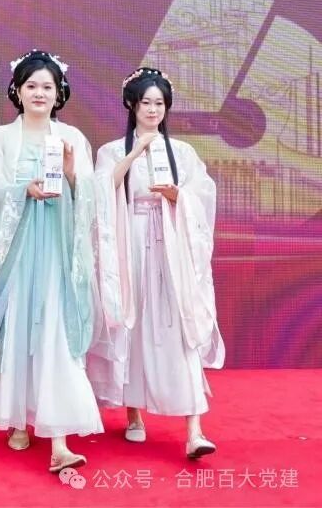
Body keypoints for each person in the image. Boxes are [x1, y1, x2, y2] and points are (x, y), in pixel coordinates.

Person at [0, 50, 103, 473]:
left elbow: (90, 196)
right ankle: (18, 418)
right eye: (31, 85)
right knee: (17, 329)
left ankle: (59, 441)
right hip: (15, 253)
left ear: (59, 93)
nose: (39, 93)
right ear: (17, 91)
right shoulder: (1, 137)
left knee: (54, 331)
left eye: (47, 87)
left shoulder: (72, 137)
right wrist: (24, 190)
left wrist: (71, 174)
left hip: (56, 252)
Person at [88, 67, 225, 459]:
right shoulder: (112, 150)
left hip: (170, 243)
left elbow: (203, 193)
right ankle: (133, 414)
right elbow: (102, 190)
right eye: (145, 102)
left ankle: (195, 430)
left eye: (159, 103)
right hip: (130, 242)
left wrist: (179, 196)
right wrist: (134, 154)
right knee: (131, 322)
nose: (152, 110)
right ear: (131, 105)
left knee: (179, 326)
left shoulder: (182, 152)